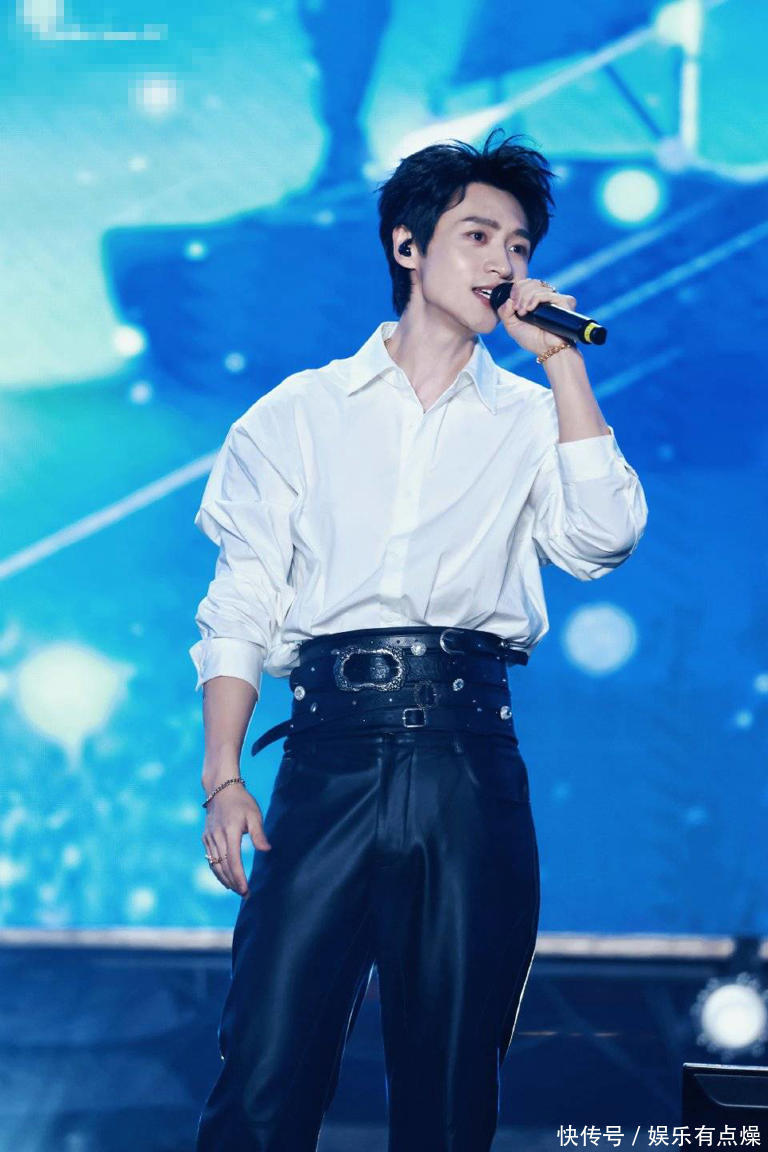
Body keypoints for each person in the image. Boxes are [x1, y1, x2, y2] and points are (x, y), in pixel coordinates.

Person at [190, 130, 648, 1152]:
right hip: (328, 759)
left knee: (450, 1083)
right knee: (265, 1068)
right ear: (408, 245)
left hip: (465, 762)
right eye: (478, 235)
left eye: (519, 246)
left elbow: (603, 540)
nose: (503, 262)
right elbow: (241, 603)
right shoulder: (298, 414)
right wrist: (223, 776)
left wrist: (562, 363)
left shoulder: (533, 417)